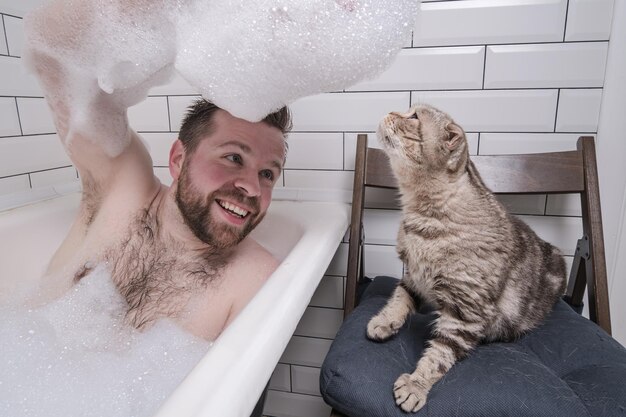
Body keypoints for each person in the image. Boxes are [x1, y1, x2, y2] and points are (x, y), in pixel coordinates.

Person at [27, 57, 292, 341]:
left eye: (267, 174)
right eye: (233, 158)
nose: (253, 188)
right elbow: (57, 64)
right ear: (179, 159)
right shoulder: (119, 186)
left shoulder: (255, 276)